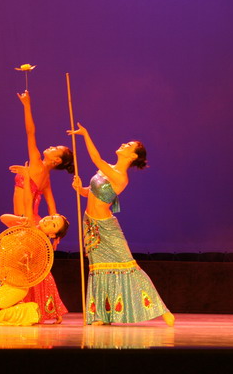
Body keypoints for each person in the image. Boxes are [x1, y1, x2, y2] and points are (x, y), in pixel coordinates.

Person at [69, 122, 175, 326]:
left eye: (129, 145)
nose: (124, 144)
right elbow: (91, 193)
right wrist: (79, 189)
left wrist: (85, 134)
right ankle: (102, 315)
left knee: (129, 266)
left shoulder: (119, 176)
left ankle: (162, 309)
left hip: (107, 228)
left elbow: (96, 158)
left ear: (133, 156)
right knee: (98, 269)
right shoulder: (107, 170)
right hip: (90, 224)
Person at [0, 164, 69, 326]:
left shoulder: (41, 242)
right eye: (51, 218)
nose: (48, 220)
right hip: (8, 279)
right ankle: (29, 312)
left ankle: (33, 313)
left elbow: (37, 273)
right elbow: (27, 200)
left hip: (19, 281)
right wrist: (27, 177)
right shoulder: (29, 224)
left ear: (52, 235)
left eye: (53, 224)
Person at [11, 90, 73, 323]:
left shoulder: (37, 164)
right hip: (30, 218)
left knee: (30, 266)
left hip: (26, 218)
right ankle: (44, 307)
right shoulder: (46, 177)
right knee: (33, 266)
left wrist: (27, 105)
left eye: (56, 148)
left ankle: (41, 307)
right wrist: (55, 235)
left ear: (56, 160)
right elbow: (52, 206)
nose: (52, 146)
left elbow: (30, 132)